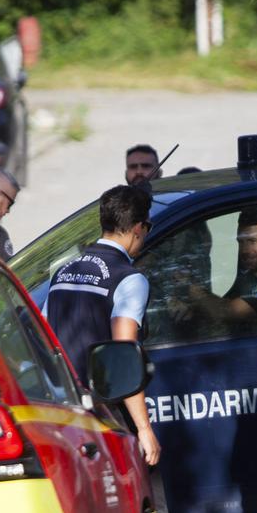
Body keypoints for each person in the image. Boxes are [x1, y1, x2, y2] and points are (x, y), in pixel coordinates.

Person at [44, 184, 161, 467]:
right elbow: (123, 356)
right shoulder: (129, 279)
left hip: (63, 411)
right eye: (148, 227)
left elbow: (44, 336)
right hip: (105, 413)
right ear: (138, 228)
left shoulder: (64, 270)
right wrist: (144, 430)